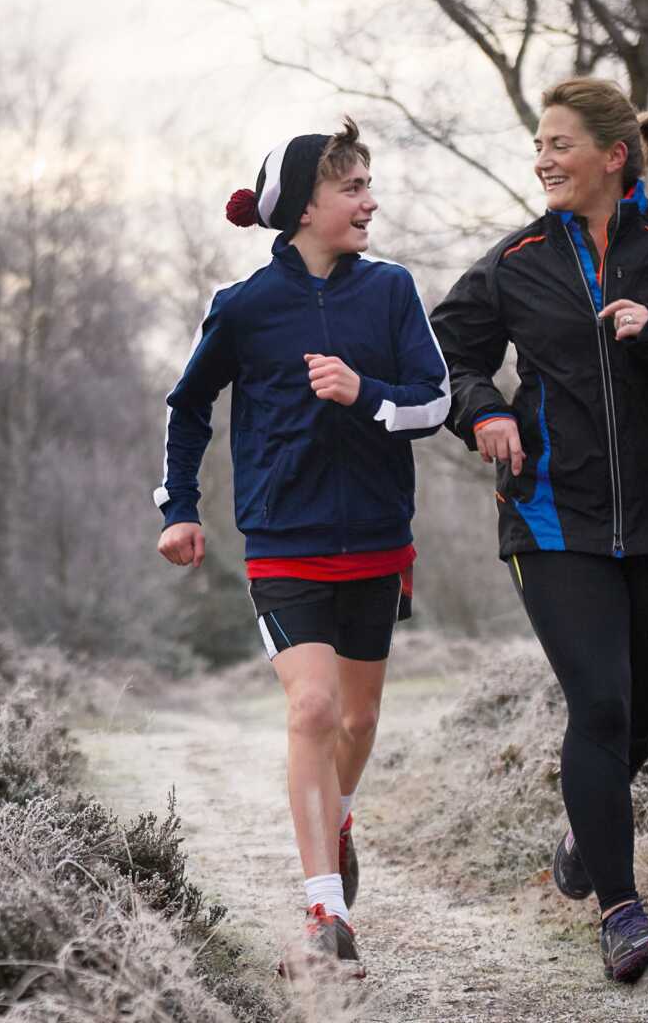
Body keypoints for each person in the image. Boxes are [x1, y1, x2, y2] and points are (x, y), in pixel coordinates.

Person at [429, 77, 648, 984]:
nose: (543, 159)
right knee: (597, 704)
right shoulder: (514, 261)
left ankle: (584, 841)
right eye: (540, 146)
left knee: (635, 725)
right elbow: (446, 355)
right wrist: (482, 412)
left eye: (558, 144)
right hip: (553, 517)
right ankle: (623, 917)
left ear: (613, 156)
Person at [154, 120, 450, 977]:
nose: (370, 201)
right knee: (313, 709)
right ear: (306, 207)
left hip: (378, 541)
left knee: (357, 720)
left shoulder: (391, 291)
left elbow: (435, 404)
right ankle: (327, 917)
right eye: (353, 187)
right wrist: (180, 506)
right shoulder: (244, 306)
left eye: (368, 184)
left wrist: (365, 395)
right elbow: (186, 406)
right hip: (283, 540)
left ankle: (340, 815)